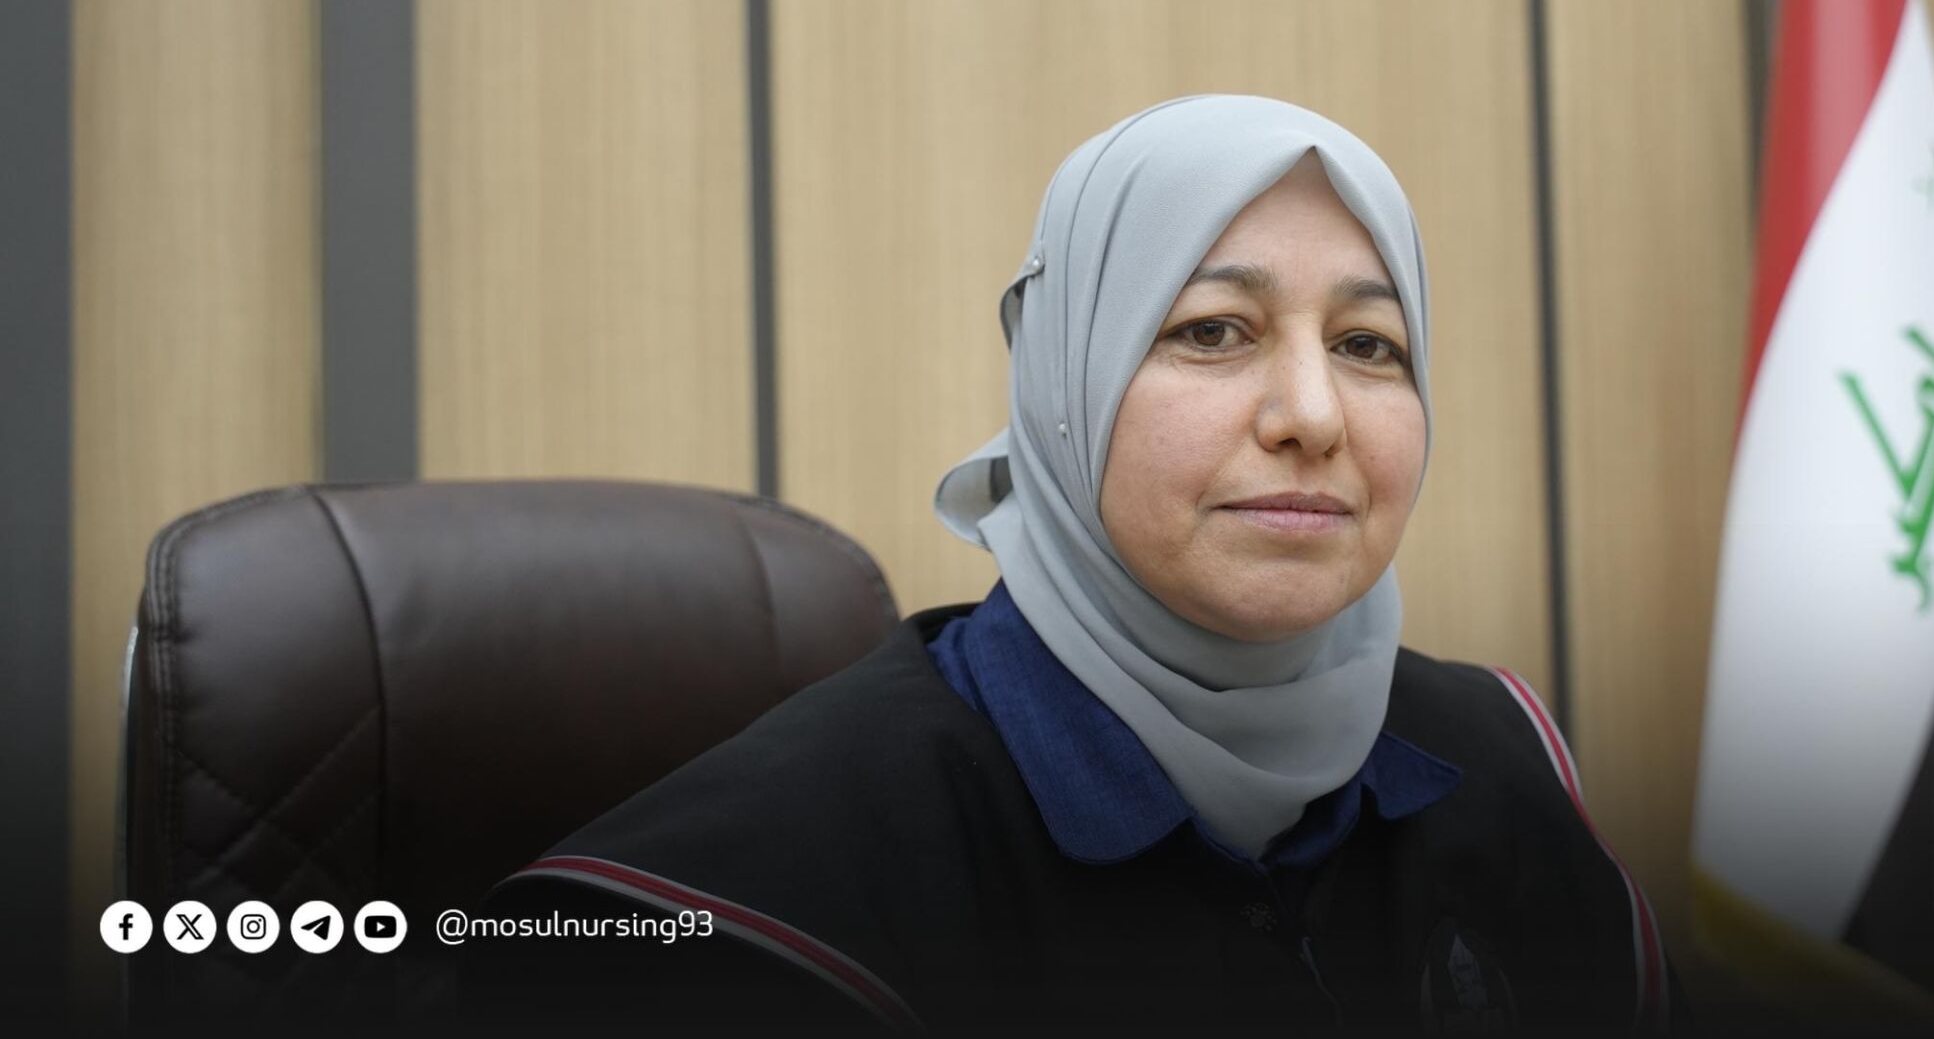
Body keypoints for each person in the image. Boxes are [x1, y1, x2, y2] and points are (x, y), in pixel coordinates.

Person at [463, 96, 1677, 1032]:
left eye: (1368, 344)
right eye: (1213, 330)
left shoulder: (1503, 759)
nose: (1314, 415)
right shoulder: (733, 906)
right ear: (1063, 386)